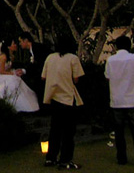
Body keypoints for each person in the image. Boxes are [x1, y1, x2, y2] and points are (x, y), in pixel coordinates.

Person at [105, 35, 134, 167]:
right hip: (131, 100)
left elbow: (108, 77)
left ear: (116, 46)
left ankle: (121, 157)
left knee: (119, 132)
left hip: (116, 100)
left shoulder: (110, 60)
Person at [41, 36, 84, 170]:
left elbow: (43, 77)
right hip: (68, 98)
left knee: (55, 130)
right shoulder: (73, 59)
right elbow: (76, 79)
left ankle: (51, 157)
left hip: (54, 97)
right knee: (68, 132)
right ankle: (65, 159)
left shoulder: (50, 58)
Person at [0, 38, 39, 112]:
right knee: (13, 79)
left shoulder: (11, 56)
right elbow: (2, 71)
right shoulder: (3, 57)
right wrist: (12, 73)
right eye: (14, 44)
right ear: (9, 47)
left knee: (16, 78)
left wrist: (13, 72)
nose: (16, 45)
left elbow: (7, 69)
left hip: (2, 75)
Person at [16, 31, 51, 100]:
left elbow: (38, 64)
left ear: (26, 40)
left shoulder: (37, 48)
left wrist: (25, 71)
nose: (20, 44)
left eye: (20, 41)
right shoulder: (32, 50)